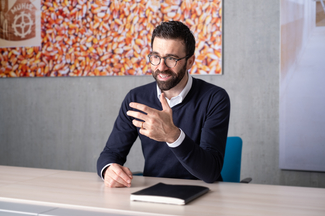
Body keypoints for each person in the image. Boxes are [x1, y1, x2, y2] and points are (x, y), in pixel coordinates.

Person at [97, 21, 230, 188]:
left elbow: (210, 172)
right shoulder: (136, 98)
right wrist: (108, 169)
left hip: (205, 194)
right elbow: (110, 153)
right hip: (154, 193)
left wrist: (173, 136)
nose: (161, 67)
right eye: (155, 57)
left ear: (190, 62)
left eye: (171, 59)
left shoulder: (214, 98)